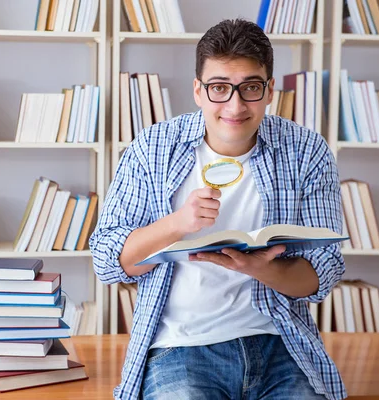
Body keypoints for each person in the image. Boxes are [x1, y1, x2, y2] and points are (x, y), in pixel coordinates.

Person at [89, 18, 346, 400]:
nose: (235, 105)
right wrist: (178, 224)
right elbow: (108, 260)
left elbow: (323, 272)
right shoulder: (154, 147)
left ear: (270, 90)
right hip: (181, 347)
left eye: (251, 88)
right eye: (219, 88)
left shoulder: (306, 150)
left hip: (280, 342)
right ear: (198, 90)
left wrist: (264, 270)